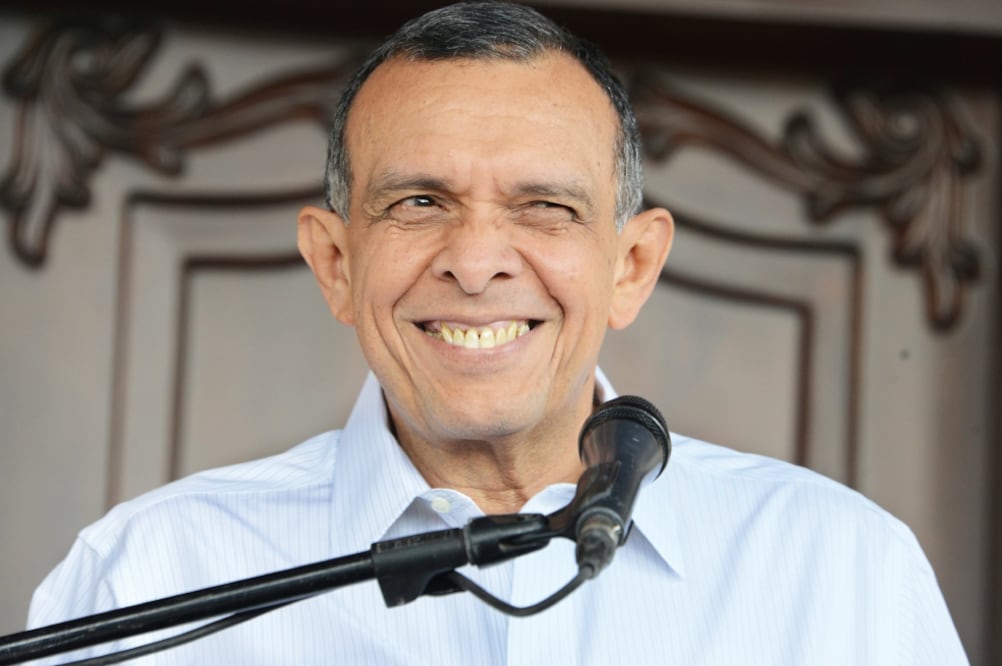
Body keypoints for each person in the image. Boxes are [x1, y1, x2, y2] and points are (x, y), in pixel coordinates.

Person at [24, 1, 967, 664]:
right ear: (336, 264)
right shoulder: (142, 580)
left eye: (546, 206)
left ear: (631, 265)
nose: (476, 263)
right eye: (418, 201)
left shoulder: (843, 571)